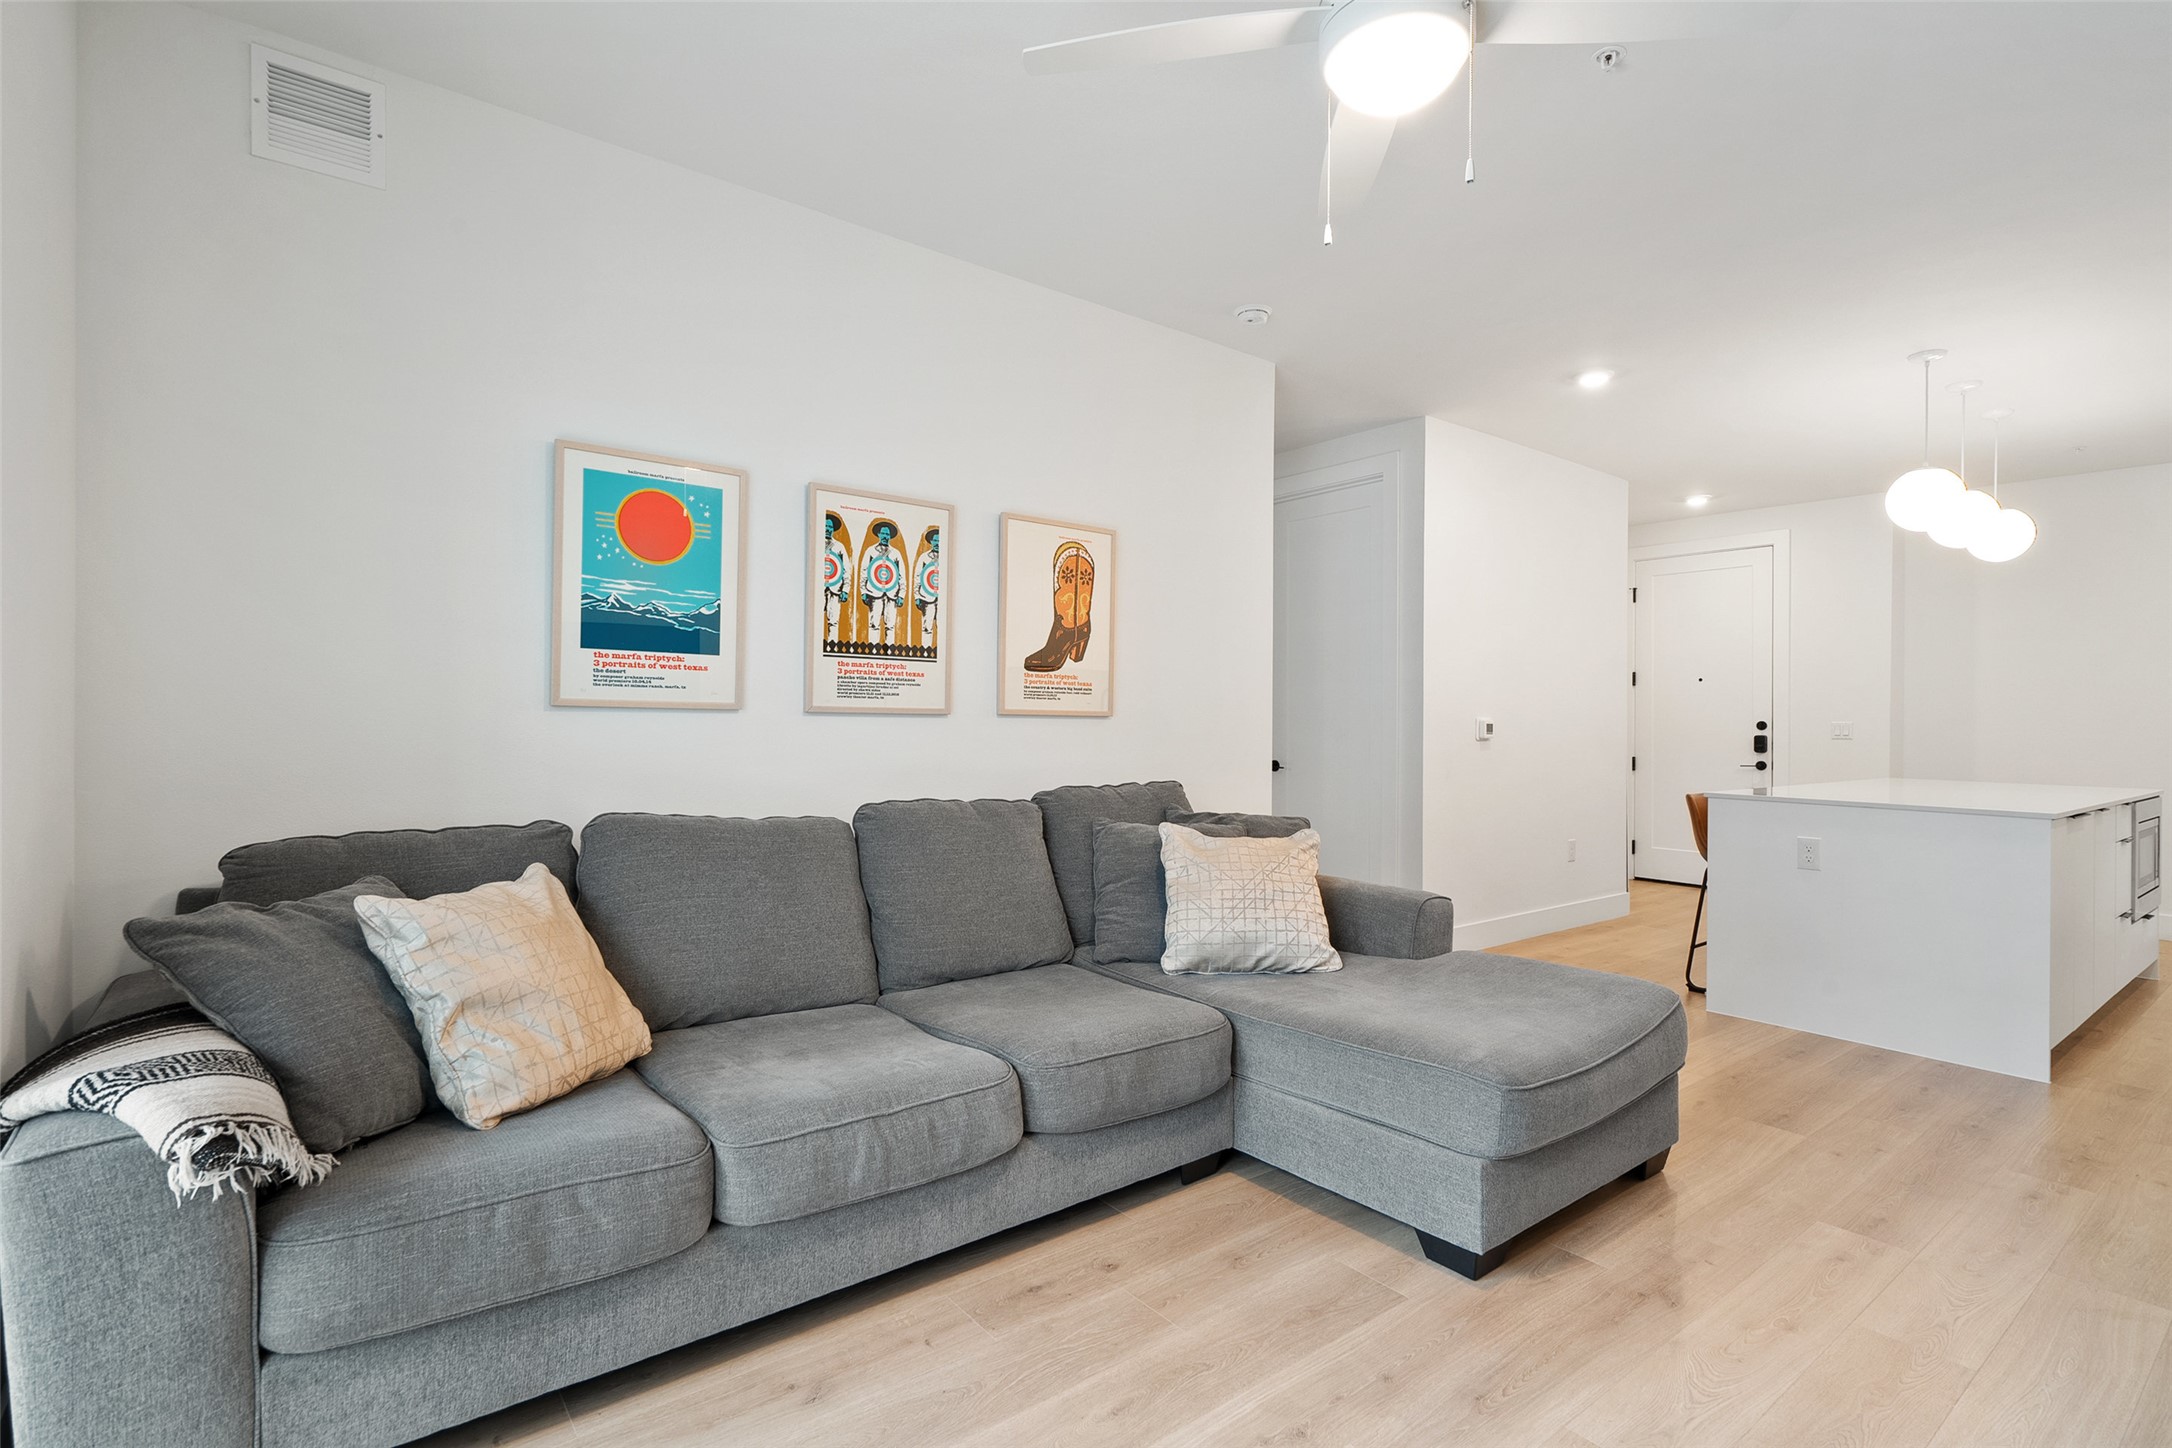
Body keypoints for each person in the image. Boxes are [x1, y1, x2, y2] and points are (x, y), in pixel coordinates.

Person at [860, 519, 905, 650]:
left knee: (890, 625)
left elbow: (901, 575)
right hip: (874, 593)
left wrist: (901, 594)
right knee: (874, 623)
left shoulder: (896, 553)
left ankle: (888, 652)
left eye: (887, 534)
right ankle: (874, 651)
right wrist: (863, 591)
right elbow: (864, 572)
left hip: (892, 594)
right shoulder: (870, 551)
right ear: (878, 535)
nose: (885, 537)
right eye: (883, 534)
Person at [821, 512, 851, 647]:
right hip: (819, 589)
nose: (828, 529)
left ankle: (831, 646)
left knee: (833, 620)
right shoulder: (816, 543)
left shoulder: (839, 547)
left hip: (835, 589)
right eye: (826, 526)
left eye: (830, 527)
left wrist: (845, 589)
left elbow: (846, 569)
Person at [913, 525, 941, 652]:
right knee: (927, 627)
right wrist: (917, 596)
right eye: (935, 540)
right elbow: (917, 577)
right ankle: (926, 651)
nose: (937, 543)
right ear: (931, 541)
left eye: (939, 540)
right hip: (927, 597)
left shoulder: (946, 558)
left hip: (942, 600)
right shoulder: (924, 557)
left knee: (941, 627)